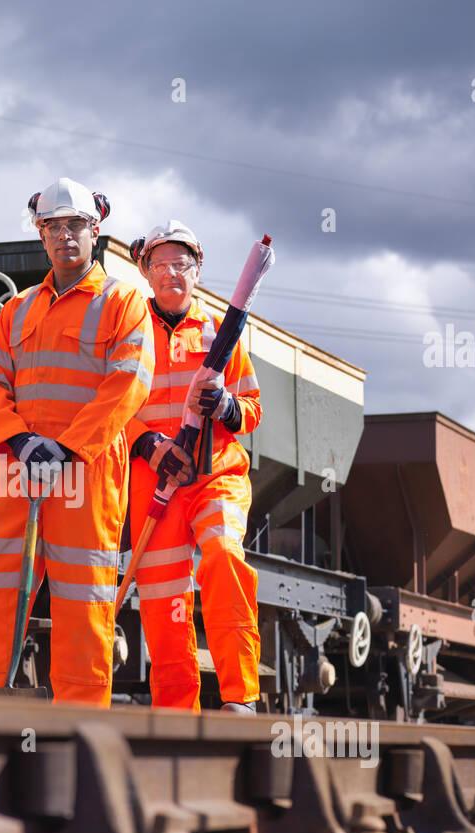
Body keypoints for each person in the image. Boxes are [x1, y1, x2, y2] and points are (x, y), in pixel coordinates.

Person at [0, 178, 154, 707]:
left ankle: (80, 725)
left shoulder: (123, 301)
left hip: (84, 471)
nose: (65, 237)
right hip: (20, 467)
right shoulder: (17, 308)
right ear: (40, 234)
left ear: (95, 231)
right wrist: (18, 441)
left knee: (83, 601)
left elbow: (129, 381)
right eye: (53, 227)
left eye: (75, 226)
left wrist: (67, 449)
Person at [125, 221, 263, 713]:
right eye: (160, 265)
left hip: (216, 478)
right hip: (154, 483)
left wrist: (226, 406)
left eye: (180, 264)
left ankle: (240, 699)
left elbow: (251, 409)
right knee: (164, 601)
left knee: (224, 558)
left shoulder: (219, 333)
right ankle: (177, 715)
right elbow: (112, 409)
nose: (170, 274)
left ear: (197, 271)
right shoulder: (129, 332)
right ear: (145, 272)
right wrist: (147, 445)